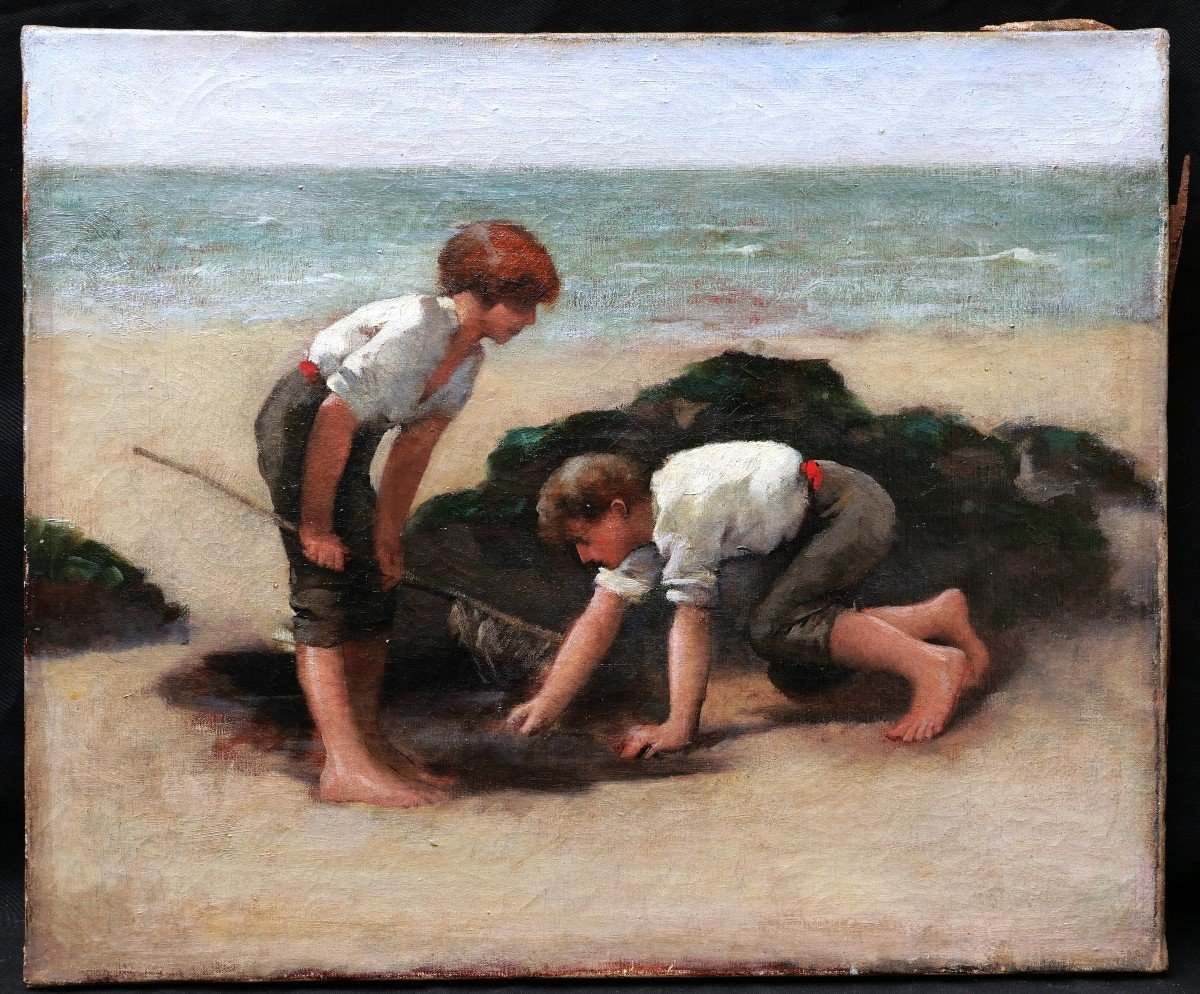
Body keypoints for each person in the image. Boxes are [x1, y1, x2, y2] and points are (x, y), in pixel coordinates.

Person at [256, 221, 560, 807]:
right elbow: (333, 421)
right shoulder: (418, 328)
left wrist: (388, 535)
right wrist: (316, 525)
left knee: (375, 578)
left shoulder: (467, 361)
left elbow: (412, 451)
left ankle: (365, 744)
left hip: (350, 437)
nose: (527, 321)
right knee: (323, 584)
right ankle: (342, 767)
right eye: (520, 305)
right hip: (303, 425)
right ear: (479, 292)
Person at [506, 441, 991, 756]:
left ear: (617, 511)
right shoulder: (646, 526)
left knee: (777, 629)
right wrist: (548, 703)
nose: (585, 556)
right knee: (790, 631)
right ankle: (934, 615)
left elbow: (691, 621)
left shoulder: (683, 515)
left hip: (845, 508)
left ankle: (931, 666)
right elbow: (599, 616)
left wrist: (679, 727)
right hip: (819, 512)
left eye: (584, 540)